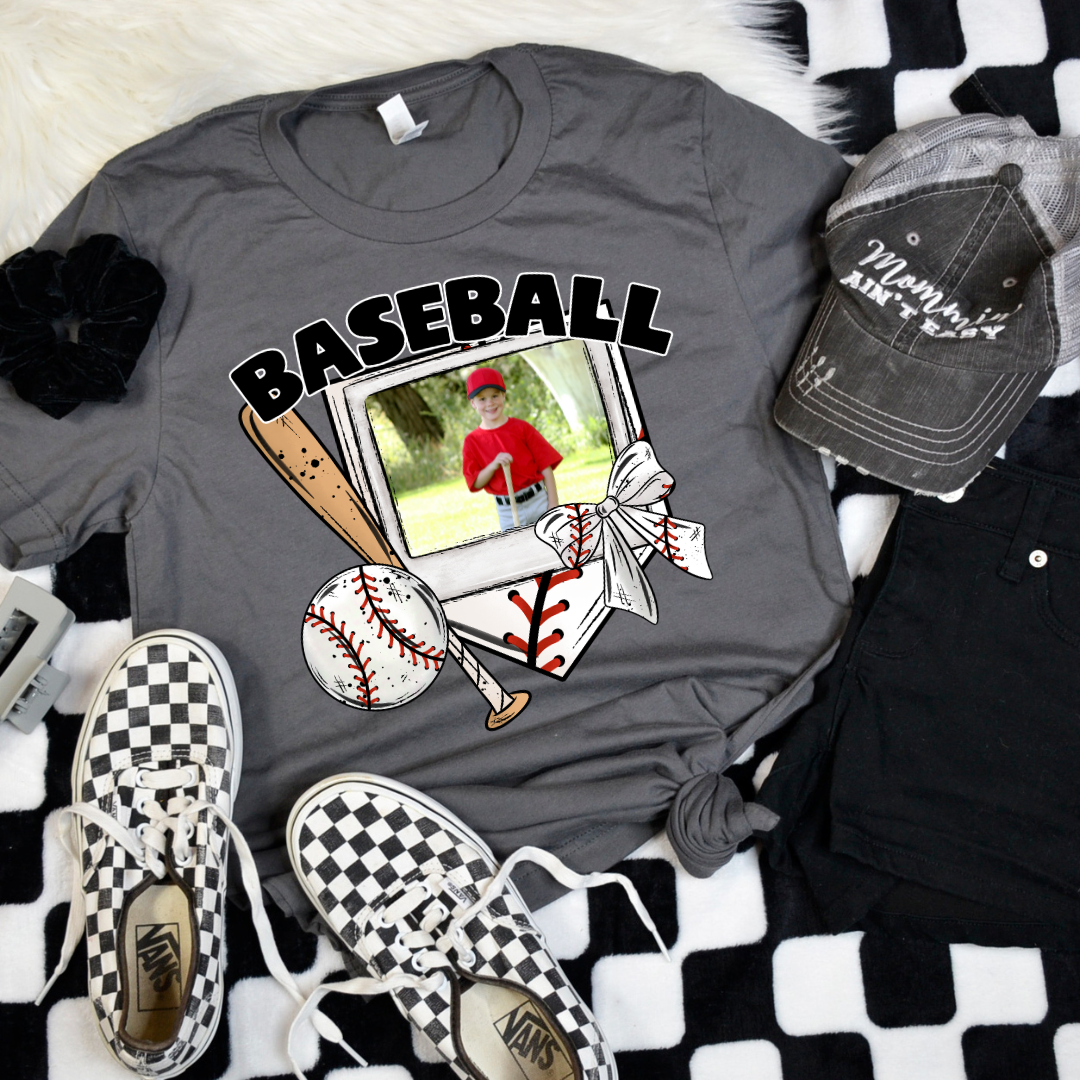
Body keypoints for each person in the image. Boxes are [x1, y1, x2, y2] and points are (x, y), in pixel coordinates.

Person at [461, 366, 562, 531]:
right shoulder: (472, 441)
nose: (490, 403)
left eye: (494, 396)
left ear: (503, 395)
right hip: (508, 511)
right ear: (473, 403)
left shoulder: (522, 428)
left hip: (539, 501)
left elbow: (546, 467)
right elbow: (475, 483)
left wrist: (553, 504)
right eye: (482, 399)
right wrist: (493, 465)